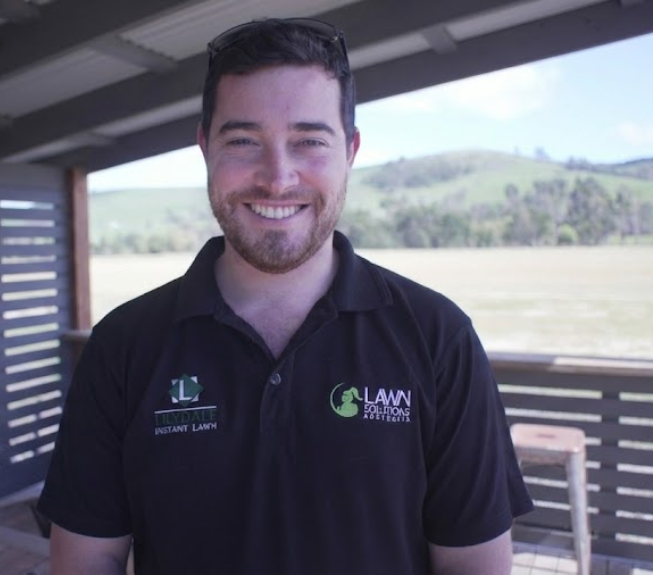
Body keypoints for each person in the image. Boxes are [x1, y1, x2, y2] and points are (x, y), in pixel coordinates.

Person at [37, 17, 533, 575]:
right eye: (244, 140)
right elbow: (87, 559)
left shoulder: (439, 336)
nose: (277, 178)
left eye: (308, 141)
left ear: (350, 150)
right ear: (205, 148)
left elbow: (474, 565)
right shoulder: (124, 344)